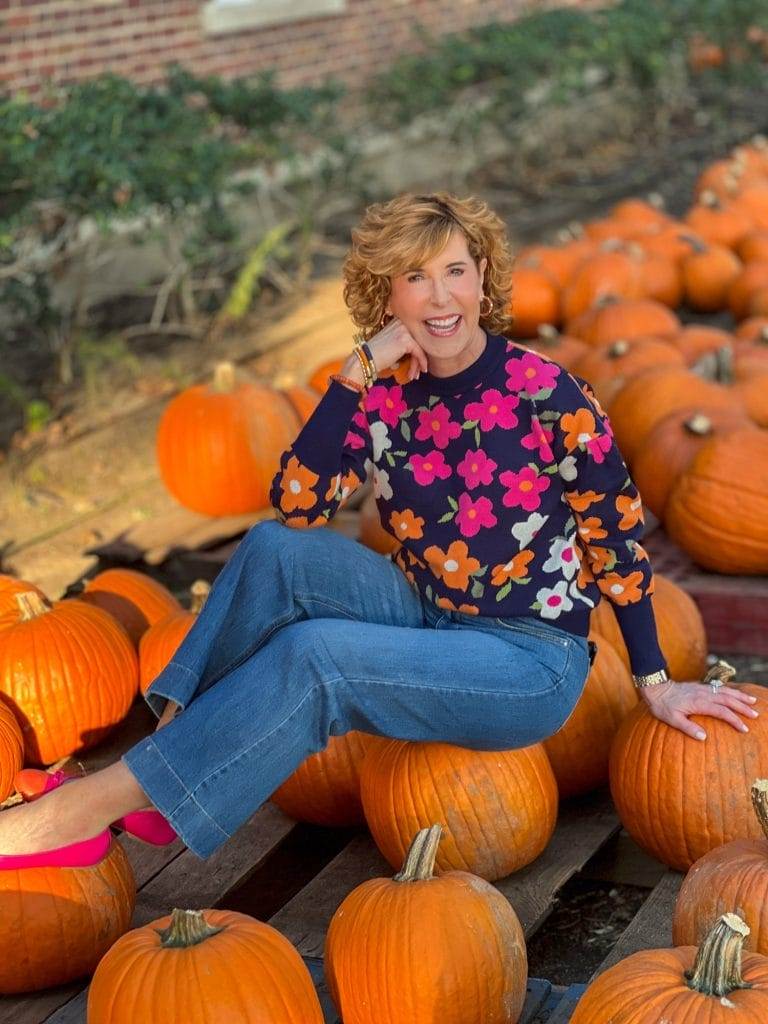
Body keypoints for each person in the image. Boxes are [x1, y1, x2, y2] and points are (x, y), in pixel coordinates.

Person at [0, 192, 758, 866]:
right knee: (274, 552)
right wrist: (355, 376)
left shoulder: (549, 395)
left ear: (484, 279)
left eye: (456, 271)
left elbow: (615, 538)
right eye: (416, 277)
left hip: (529, 659)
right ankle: (157, 772)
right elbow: (296, 506)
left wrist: (655, 680)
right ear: (386, 294)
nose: (440, 296)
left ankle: (78, 814)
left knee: (316, 657)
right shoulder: (385, 396)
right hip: (428, 614)